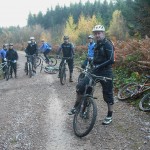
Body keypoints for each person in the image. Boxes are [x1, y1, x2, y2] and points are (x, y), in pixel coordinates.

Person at [68, 25, 115, 125]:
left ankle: (109, 115)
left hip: (106, 72)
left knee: (108, 95)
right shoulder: (96, 44)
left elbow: (111, 60)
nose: (97, 35)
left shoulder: (108, 44)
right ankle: (77, 106)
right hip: (95, 70)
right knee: (81, 86)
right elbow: (96, 57)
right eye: (96, 33)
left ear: (103, 33)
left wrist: (98, 65)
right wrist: (91, 62)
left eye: (99, 33)